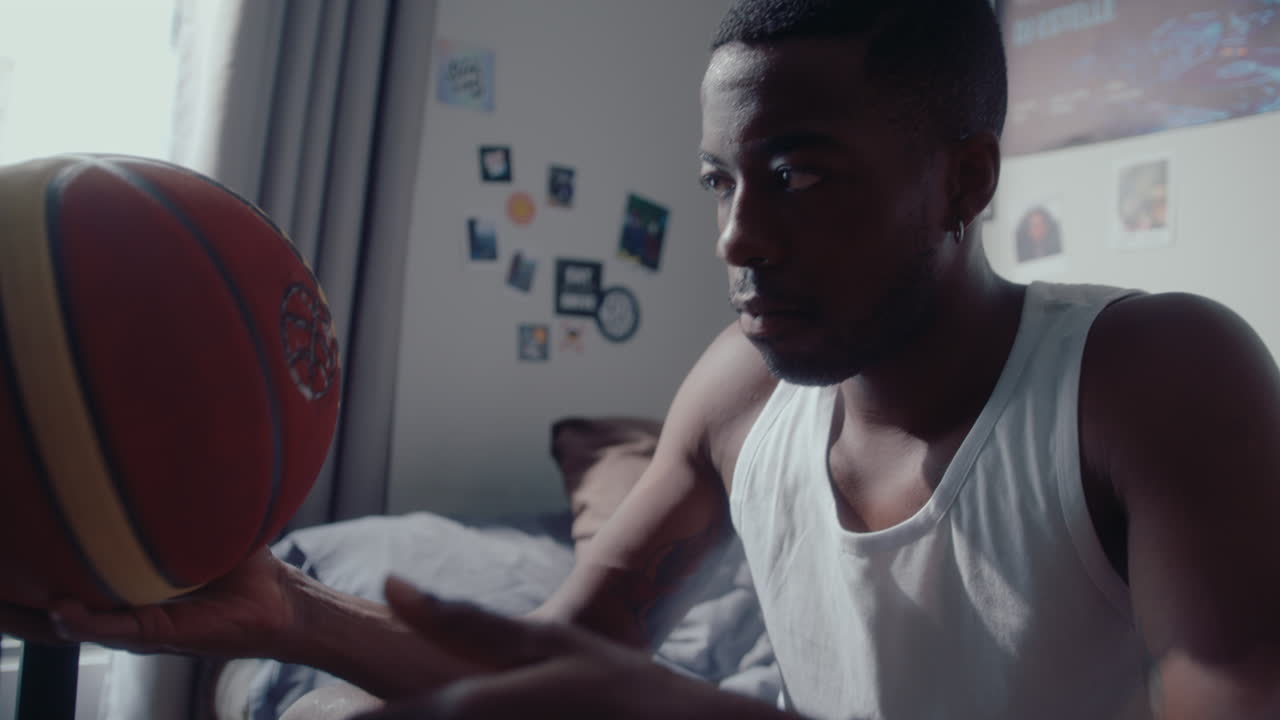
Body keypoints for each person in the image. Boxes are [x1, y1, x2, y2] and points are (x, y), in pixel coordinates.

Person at [6, 1, 1280, 718]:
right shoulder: (738, 392)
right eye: (721, 181)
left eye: (796, 175)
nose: (736, 237)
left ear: (964, 178)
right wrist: (287, 614)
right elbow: (543, 672)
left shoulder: (1152, 378)